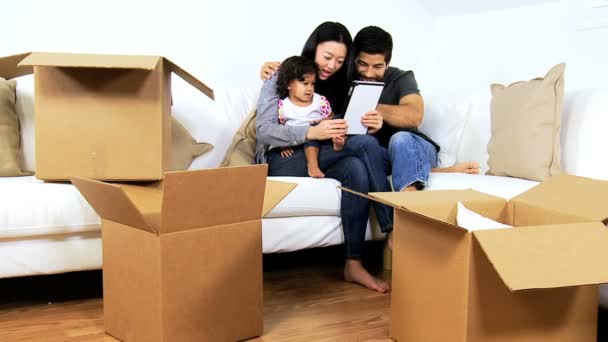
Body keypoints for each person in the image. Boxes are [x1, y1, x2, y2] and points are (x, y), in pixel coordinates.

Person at [255, 22, 393, 293]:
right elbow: (264, 130)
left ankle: (353, 264)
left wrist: (342, 130)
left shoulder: (338, 84)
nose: (332, 66)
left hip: (322, 152)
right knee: (365, 144)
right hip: (281, 157)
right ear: (313, 48)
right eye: (327, 57)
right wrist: (312, 131)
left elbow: (333, 124)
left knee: (355, 167)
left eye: (340, 61)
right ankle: (393, 228)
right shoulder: (282, 74)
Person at [351, 26, 479, 193]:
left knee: (400, 139)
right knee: (361, 157)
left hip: (413, 147)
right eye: (362, 64)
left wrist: (372, 109)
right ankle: (436, 173)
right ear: (354, 59)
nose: (368, 73)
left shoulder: (401, 78)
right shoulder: (347, 78)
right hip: (381, 156)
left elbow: (415, 115)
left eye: (377, 66)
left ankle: (408, 198)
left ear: (387, 64)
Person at [275, 55, 343, 178]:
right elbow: (280, 127)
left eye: (312, 84)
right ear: (288, 85)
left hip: (320, 138)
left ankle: (337, 144)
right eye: (305, 83)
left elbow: (329, 116)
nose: (309, 88)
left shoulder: (320, 101)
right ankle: (312, 165)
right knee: (309, 133)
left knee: (336, 119)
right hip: (297, 140)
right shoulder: (283, 106)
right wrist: (283, 146)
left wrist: (324, 122)